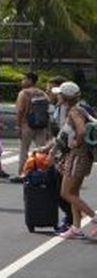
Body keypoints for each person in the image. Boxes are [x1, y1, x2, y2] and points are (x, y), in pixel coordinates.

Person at [52, 81, 94, 238]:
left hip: (77, 154)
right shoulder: (81, 107)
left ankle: (94, 217)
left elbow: (81, 131)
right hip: (83, 154)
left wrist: (76, 142)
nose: (58, 96)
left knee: (66, 192)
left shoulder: (74, 111)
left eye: (60, 94)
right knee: (74, 192)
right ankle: (76, 227)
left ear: (66, 97)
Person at [14, 71, 52, 181]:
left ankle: (22, 173)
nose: (22, 81)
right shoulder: (43, 94)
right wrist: (48, 128)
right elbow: (47, 111)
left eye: (24, 79)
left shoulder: (24, 93)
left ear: (30, 80)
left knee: (24, 150)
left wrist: (18, 126)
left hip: (27, 125)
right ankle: (44, 172)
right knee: (42, 150)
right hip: (41, 126)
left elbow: (20, 111)